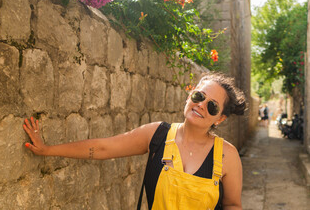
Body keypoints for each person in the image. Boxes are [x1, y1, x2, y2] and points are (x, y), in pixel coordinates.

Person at [22, 72, 246, 210]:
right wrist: (47, 149)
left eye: (212, 106)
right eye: (199, 96)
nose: (201, 105)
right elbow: (103, 148)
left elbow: (233, 205)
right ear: (190, 96)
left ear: (221, 118)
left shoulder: (227, 155)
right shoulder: (158, 135)